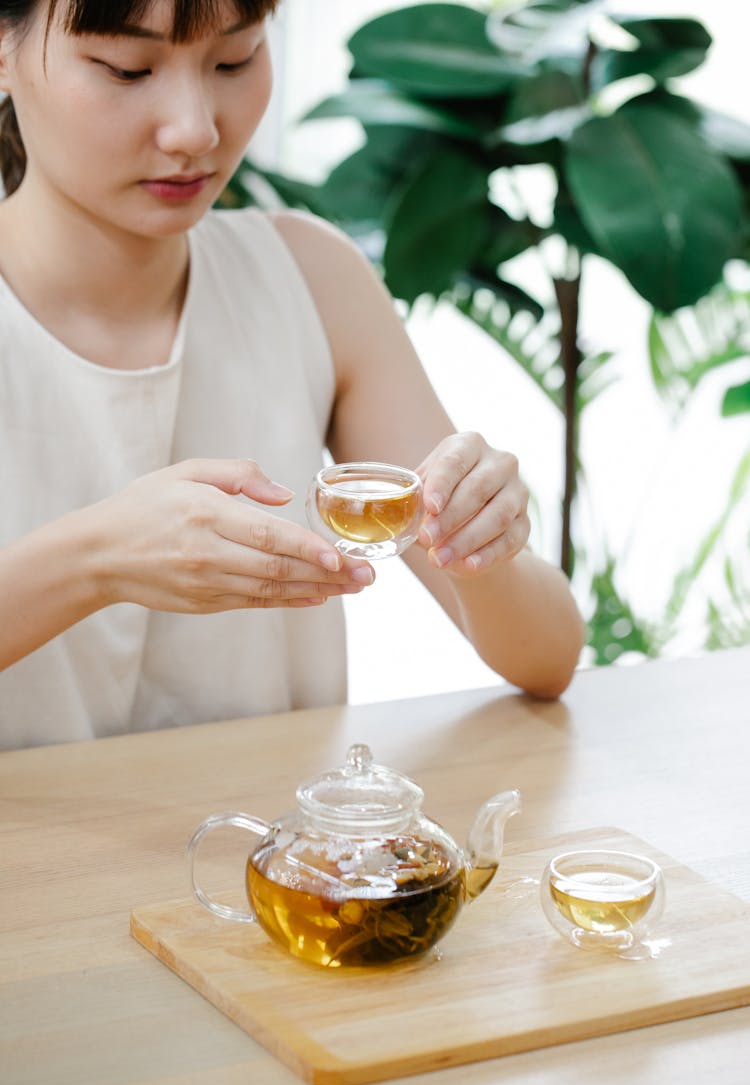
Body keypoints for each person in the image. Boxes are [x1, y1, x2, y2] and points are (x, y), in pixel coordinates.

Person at [0, 0, 585, 751]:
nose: (196, 129)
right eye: (128, 68)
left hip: (280, 860)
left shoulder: (310, 278)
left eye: (235, 60)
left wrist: (482, 544)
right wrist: (94, 560)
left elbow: (548, 658)